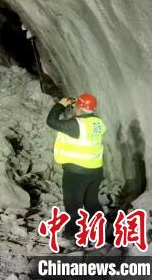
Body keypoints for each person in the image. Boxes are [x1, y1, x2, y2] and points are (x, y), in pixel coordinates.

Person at [46, 94, 106, 242]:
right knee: (91, 203)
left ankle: (72, 235)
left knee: (73, 204)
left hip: (77, 173)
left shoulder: (76, 125)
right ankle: (100, 232)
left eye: (75, 106)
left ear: (79, 107)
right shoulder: (98, 122)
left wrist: (61, 105)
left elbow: (51, 121)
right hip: (95, 170)